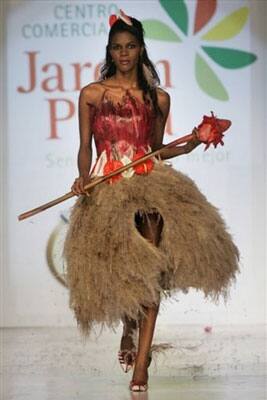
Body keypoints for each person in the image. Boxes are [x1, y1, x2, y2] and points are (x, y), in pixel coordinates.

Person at [63, 11, 239, 392]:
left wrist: (192, 141)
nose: (123, 53)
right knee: (126, 269)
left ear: (140, 49)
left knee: (152, 268)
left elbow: (155, 150)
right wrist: (82, 179)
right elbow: (84, 148)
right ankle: (128, 330)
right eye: (116, 48)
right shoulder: (92, 95)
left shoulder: (158, 98)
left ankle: (142, 363)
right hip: (108, 185)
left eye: (130, 47)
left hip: (150, 185)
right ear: (109, 51)